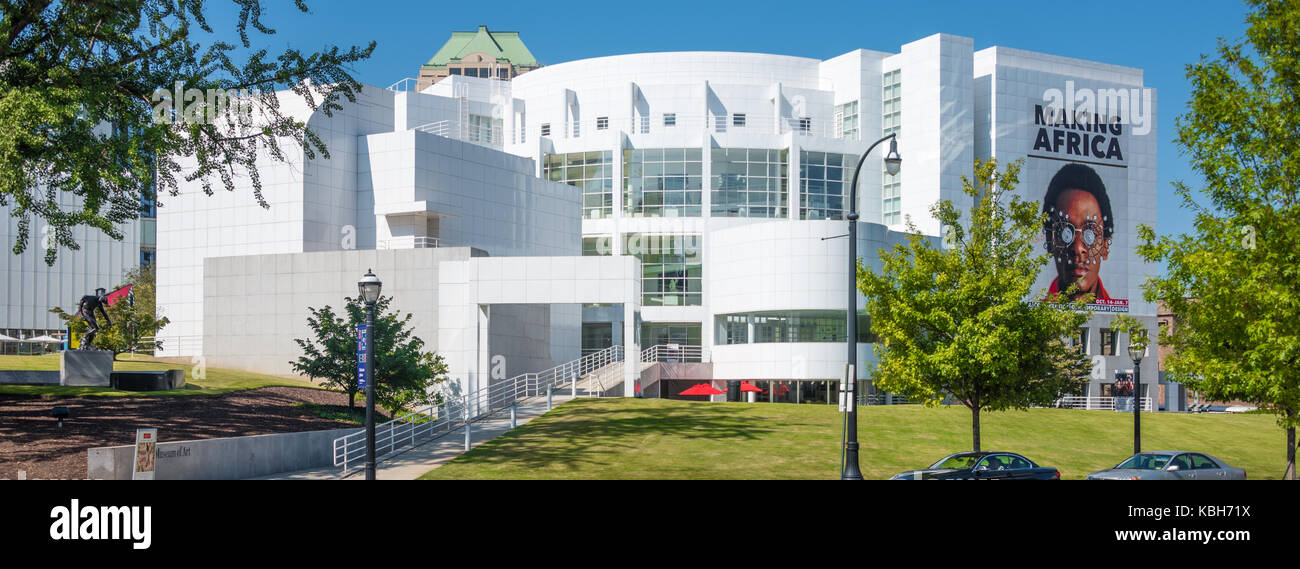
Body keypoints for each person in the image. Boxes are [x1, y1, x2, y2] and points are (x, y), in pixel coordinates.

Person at [1041, 163, 1114, 302]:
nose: (1078, 249)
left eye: (1091, 234)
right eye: (1064, 232)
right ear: (1050, 241)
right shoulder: (1033, 317)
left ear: (1105, 245)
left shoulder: (1121, 320)